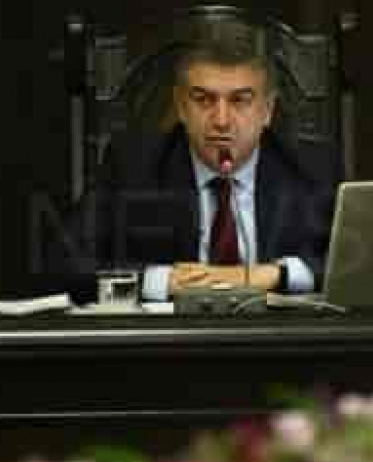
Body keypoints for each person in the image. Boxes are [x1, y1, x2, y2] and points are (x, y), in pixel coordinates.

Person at [91, 20, 338, 302]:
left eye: (240, 100)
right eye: (204, 100)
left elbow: (360, 264)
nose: (221, 121)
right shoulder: (133, 166)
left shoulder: (312, 167)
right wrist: (163, 281)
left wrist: (280, 274)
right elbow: (65, 262)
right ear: (181, 106)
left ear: (268, 110)